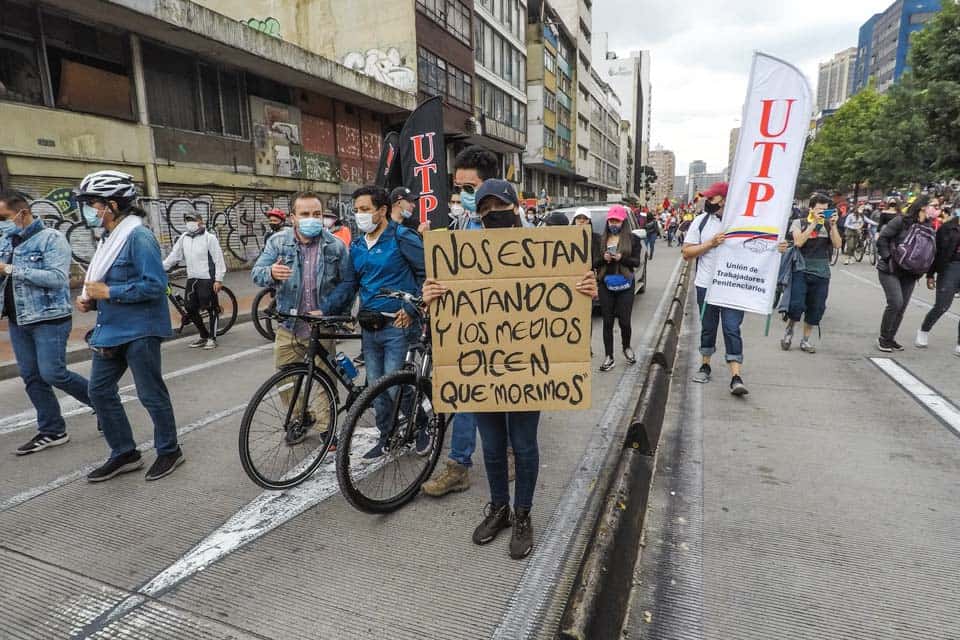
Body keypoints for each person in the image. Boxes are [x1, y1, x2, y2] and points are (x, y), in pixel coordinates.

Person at [421, 178, 598, 559]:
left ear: (515, 207)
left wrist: (586, 288)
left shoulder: (547, 247)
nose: (490, 214)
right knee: (493, 446)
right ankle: (498, 507)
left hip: (527, 371)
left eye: (497, 206)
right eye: (483, 210)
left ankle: (522, 514)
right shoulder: (461, 249)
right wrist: (430, 295)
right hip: (482, 369)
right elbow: (450, 300)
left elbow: (567, 294)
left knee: (523, 444)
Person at [74, 170, 183, 482]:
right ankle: (124, 452)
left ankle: (169, 449)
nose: (89, 211)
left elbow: (156, 285)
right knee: (99, 391)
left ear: (111, 205)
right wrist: (92, 300)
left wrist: (109, 292)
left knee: (150, 393)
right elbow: (108, 281)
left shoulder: (139, 237)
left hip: (141, 329)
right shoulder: (110, 238)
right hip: (111, 329)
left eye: (93, 204)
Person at [251, 191, 356, 445]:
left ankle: (327, 428)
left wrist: (330, 308)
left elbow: (348, 283)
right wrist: (271, 273)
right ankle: (300, 418)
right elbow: (256, 273)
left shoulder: (335, 246)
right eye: (305, 214)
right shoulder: (278, 242)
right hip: (289, 325)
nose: (312, 219)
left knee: (324, 381)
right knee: (287, 382)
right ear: (293, 218)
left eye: (317, 214)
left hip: (321, 327)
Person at [421, 145, 495, 497]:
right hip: (466, 328)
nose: (462, 195)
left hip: (506, 332)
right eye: (458, 188)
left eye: (470, 188)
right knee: (465, 396)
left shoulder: (515, 226)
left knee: (507, 400)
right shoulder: (462, 224)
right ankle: (458, 466)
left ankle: (509, 453)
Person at [0, 190, 96, 455]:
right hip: (18, 320)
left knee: (53, 373)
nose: (1, 223)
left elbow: (56, 278)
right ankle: (52, 430)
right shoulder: (7, 242)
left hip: (49, 319)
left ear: (23, 213)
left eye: (3, 216)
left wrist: (10, 269)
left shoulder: (51, 239)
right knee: (31, 376)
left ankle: (104, 404)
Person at [350, 185, 427, 459]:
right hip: (370, 328)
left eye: (365, 209)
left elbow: (426, 274)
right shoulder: (358, 245)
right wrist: (326, 311)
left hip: (398, 325)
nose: (360, 215)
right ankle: (386, 435)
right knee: (376, 387)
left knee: (395, 386)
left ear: (382, 210)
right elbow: (351, 283)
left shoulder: (402, 237)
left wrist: (411, 307)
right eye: (357, 210)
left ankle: (421, 426)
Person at [682, 182, 750, 395]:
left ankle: (736, 376)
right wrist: (710, 244)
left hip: (733, 287)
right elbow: (687, 252)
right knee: (708, 327)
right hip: (706, 286)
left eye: (712, 198)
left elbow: (759, 251)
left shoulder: (743, 223)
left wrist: (778, 248)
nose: (707, 202)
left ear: (724, 200)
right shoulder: (701, 222)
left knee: (731, 328)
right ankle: (705, 364)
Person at [876, 194, 939, 352]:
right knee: (896, 302)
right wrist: (888, 257)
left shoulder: (930, 227)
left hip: (911, 273)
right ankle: (883, 338)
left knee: (902, 306)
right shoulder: (901, 221)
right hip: (890, 269)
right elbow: (882, 239)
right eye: (934, 206)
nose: (937, 210)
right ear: (923, 206)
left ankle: (890, 338)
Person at [781, 194, 842, 353]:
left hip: (822, 271)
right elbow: (799, 242)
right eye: (819, 209)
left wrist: (833, 225)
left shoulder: (829, 225)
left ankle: (805, 340)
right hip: (801, 269)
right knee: (796, 305)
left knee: (816, 307)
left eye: (825, 210)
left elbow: (837, 244)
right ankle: (789, 330)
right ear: (811, 209)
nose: (822, 212)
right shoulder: (798, 222)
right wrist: (814, 222)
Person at [162, 211, 227, 349]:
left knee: (211, 308)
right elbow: (174, 256)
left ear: (200, 221)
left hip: (207, 278)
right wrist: (160, 267)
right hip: (192, 277)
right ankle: (203, 335)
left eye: (192, 219)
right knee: (190, 308)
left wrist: (219, 279)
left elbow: (218, 259)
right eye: (187, 220)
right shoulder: (184, 238)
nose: (189, 222)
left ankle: (212, 338)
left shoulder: (209, 238)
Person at [597, 205, 643, 372]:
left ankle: (626, 347)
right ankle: (609, 356)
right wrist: (604, 259)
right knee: (607, 322)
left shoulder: (633, 240)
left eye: (616, 220)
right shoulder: (600, 240)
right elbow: (594, 263)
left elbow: (636, 262)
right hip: (605, 284)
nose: (613, 224)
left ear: (623, 222)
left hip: (625, 284)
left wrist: (622, 258)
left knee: (624, 321)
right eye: (611, 220)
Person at [916, 199, 960, 355]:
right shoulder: (947, 228)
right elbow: (937, 253)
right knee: (942, 305)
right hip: (950, 268)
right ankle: (924, 329)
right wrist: (930, 274)